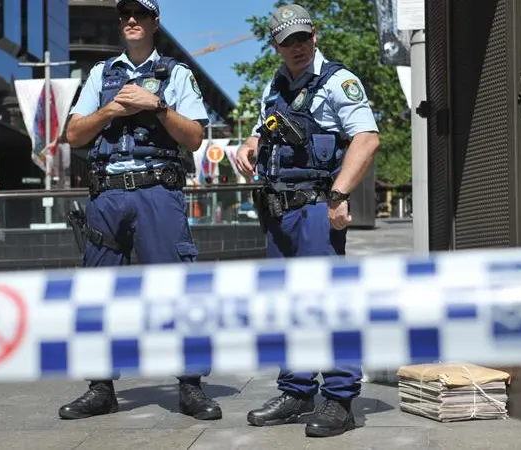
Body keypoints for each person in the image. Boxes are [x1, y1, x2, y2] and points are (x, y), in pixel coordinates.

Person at [57, 0, 222, 421]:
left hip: (156, 191)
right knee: (97, 293)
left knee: (176, 290)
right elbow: (73, 135)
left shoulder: (177, 73)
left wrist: (157, 106)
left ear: (154, 22)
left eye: (141, 14)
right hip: (107, 194)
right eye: (125, 14)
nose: (132, 20)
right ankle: (100, 387)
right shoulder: (101, 74)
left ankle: (190, 386)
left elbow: (195, 139)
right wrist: (112, 108)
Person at [234, 4, 381, 439]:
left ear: (313, 35)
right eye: (287, 41)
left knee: (328, 304)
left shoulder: (338, 80)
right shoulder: (274, 85)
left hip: (318, 207)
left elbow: (367, 139)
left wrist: (338, 195)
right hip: (278, 211)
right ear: (275, 45)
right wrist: (250, 143)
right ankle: (297, 392)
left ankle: (339, 399)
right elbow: (265, 129)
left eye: (302, 38)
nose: (297, 47)